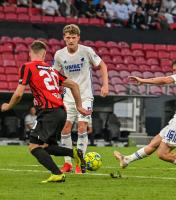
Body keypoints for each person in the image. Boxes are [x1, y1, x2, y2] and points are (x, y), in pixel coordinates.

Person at [0, 40, 90, 183]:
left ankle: (57, 174)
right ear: (44, 54)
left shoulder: (27, 67)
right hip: (61, 112)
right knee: (47, 147)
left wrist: (8, 106)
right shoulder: (52, 70)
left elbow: (18, 94)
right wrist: (79, 106)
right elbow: (73, 85)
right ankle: (75, 153)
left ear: (30, 53)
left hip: (49, 112)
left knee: (33, 147)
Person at [53, 24, 109, 174]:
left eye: (73, 37)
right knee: (65, 129)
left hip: (85, 96)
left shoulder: (87, 51)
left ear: (78, 38)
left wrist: (105, 85)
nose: (70, 40)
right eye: (68, 37)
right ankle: (68, 163)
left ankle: (81, 162)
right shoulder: (59, 55)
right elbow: (54, 76)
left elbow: (102, 65)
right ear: (64, 38)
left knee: (82, 126)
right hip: (68, 97)